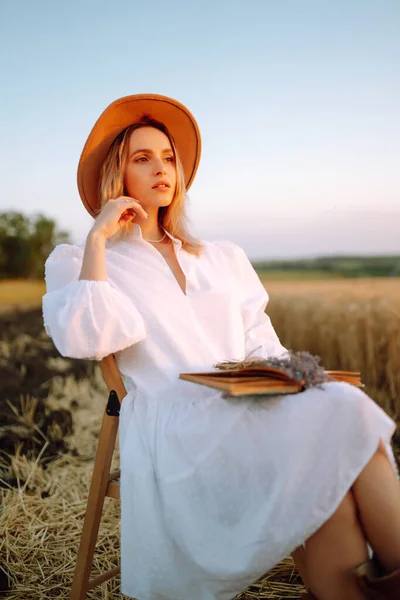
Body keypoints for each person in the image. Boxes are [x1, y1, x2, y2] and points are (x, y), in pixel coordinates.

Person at [42, 94, 400, 600]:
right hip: (177, 426)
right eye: (141, 159)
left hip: (246, 405)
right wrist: (99, 240)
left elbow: (261, 341)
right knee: (345, 410)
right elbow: (86, 338)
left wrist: (289, 381)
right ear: (115, 177)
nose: (160, 169)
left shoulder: (221, 257)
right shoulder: (82, 260)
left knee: (334, 468)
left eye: (168, 158)